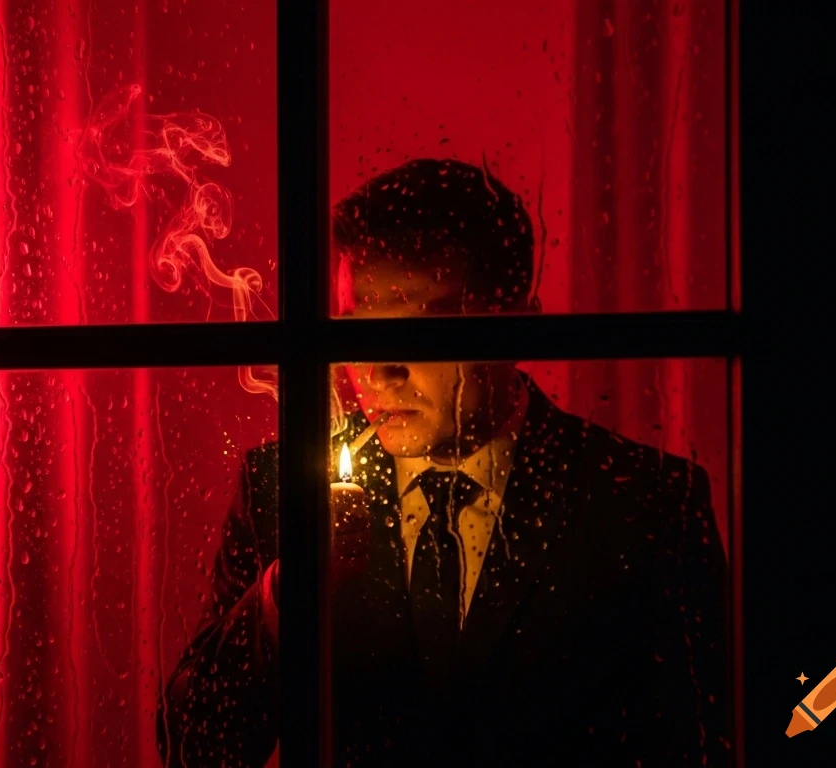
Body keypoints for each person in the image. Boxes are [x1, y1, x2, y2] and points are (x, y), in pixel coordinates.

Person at [158, 158, 730, 766]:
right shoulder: (282, 488)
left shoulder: (647, 503)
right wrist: (284, 596)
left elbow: (705, 740)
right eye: (354, 331)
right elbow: (193, 747)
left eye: (420, 329)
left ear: (517, 330)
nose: (377, 371)